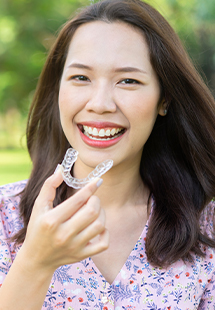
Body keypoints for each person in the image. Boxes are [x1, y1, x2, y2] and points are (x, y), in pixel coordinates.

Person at [0, 0, 215, 308]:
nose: (100, 103)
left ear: (164, 99)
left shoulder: (206, 228)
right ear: (57, 89)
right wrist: (35, 262)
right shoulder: (4, 217)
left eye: (129, 80)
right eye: (81, 78)